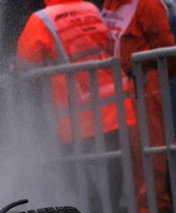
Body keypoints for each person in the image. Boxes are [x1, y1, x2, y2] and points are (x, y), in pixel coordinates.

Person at [102, 0, 176, 213]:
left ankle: (154, 208)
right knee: (134, 148)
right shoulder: (112, 4)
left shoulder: (148, 5)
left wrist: (166, 75)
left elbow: (166, 47)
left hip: (145, 83)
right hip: (123, 85)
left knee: (151, 145)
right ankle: (141, 206)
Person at [16, 0, 127, 145]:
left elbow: (24, 65)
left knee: (88, 164)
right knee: (122, 163)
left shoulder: (41, 20)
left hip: (80, 118)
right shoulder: (90, 8)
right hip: (117, 108)